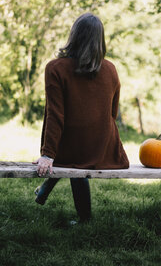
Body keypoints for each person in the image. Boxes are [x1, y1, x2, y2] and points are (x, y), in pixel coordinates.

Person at [33, 13, 129, 222]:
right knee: (76, 154)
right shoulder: (111, 69)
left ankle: (85, 219)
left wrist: (48, 155)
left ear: (74, 35)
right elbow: (112, 113)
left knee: (74, 159)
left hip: (74, 149)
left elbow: (55, 115)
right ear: (99, 40)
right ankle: (43, 192)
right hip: (104, 149)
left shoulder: (55, 68)